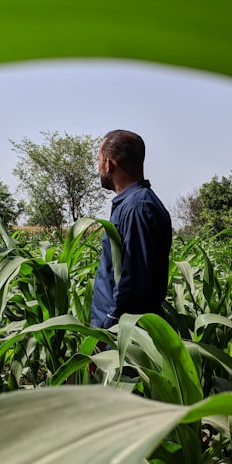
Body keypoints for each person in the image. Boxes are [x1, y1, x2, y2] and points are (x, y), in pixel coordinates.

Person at [90, 129, 172, 329]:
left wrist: (108, 330)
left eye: (99, 160)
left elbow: (133, 282)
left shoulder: (137, 208)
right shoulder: (131, 204)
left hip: (124, 337)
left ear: (109, 164)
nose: (98, 167)